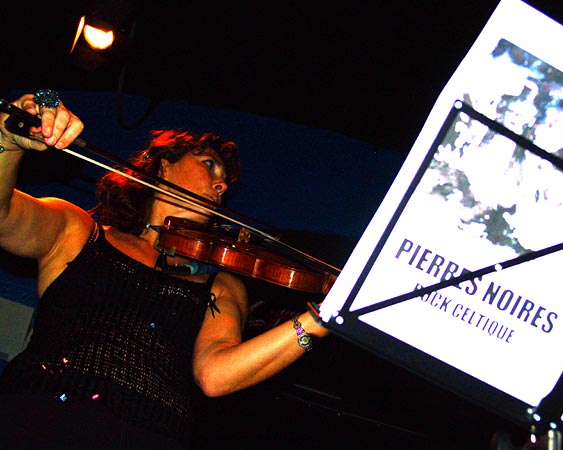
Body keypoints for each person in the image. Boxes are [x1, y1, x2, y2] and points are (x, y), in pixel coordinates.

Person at [0, 91, 328, 449]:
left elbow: (215, 376)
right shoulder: (78, 230)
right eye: (209, 165)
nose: (221, 186)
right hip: (36, 421)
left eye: (224, 183)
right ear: (163, 166)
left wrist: (319, 320)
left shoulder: (220, 283)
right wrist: (7, 140)